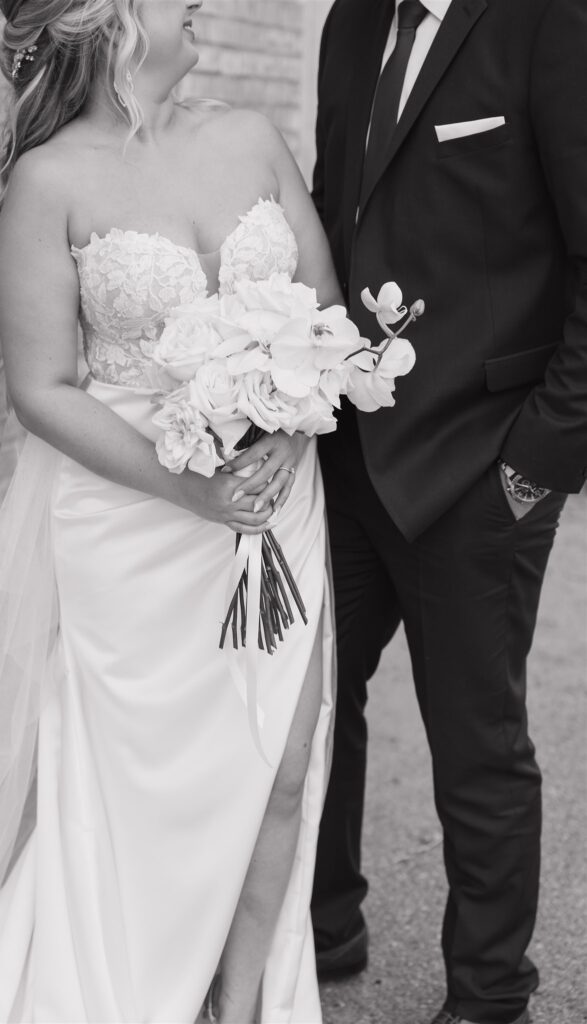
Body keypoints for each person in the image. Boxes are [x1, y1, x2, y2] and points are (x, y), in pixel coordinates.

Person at [0, 2, 346, 1021]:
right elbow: (44, 387)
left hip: (274, 497)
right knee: (143, 785)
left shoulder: (247, 137)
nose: (199, 3)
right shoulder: (49, 182)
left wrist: (288, 427)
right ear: (104, 18)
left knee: (280, 764)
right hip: (134, 520)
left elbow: (323, 309)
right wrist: (189, 485)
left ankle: (238, 1005)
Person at [310, 1, 587, 1023]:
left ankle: (488, 990)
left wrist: (536, 464)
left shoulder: (548, 21)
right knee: (313, 705)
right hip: (343, 450)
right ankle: (324, 927)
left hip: (483, 461)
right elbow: (335, 205)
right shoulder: (349, 22)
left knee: (475, 742)